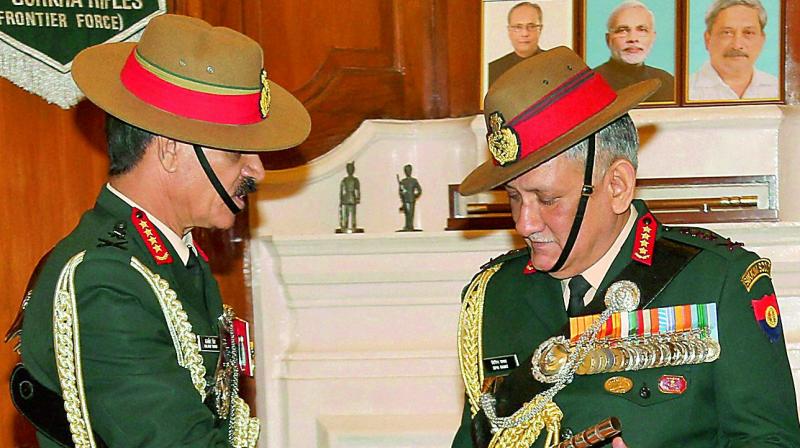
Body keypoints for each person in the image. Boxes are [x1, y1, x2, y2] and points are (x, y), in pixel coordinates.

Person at [452, 47, 800, 447]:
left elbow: (771, 441)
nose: (524, 223)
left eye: (547, 199)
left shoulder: (716, 282)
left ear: (617, 186)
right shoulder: (495, 296)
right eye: (514, 197)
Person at [12, 14, 310, 447]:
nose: (257, 170)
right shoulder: (105, 279)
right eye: (236, 151)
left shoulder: (170, 260)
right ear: (170, 151)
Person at [689, 0, 779, 100]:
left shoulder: (779, 90)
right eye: (727, 33)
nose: (737, 45)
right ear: (708, 39)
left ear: (762, 40)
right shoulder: (685, 91)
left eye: (748, 33)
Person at [593, 1, 675, 103]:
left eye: (642, 30)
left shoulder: (667, 83)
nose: (633, 39)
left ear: (653, 38)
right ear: (608, 39)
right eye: (622, 30)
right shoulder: (589, 84)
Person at [488, 2, 544, 86]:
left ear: (540, 29)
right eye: (518, 27)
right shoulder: (492, 70)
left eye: (531, 26)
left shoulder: (556, 66)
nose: (525, 33)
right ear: (509, 31)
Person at [338, 161, 362, 233]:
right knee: (346, 214)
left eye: (351, 169)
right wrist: (341, 199)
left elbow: (358, 189)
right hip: (346, 198)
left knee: (353, 214)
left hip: (352, 197)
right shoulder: (344, 180)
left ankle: (353, 226)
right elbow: (341, 190)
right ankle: (345, 226)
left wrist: (358, 198)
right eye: (349, 169)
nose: (350, 170)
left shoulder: (355, 180)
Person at [397, 164, 422, 231]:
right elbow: (400, 191)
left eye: (408, 170)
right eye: (406, 171)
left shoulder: (414, 180)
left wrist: (415, 196)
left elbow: (419, 190)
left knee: (411, 213)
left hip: (411, 200)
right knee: (407, 213)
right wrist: (402, 194)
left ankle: (410, 226)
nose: (407, 172)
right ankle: (407, 226)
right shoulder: (403, 181)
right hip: (405, 200)